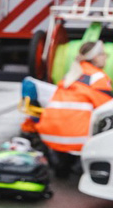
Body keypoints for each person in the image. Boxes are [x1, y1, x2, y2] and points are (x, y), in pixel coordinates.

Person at [36, 40, 112, 175]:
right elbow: (107, 108)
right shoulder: (98, 77)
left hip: (49, 133)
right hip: (75, 137)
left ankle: (63, 164)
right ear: (95, 57)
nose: (106, 57)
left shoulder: (71, 74)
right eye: (103, 54)